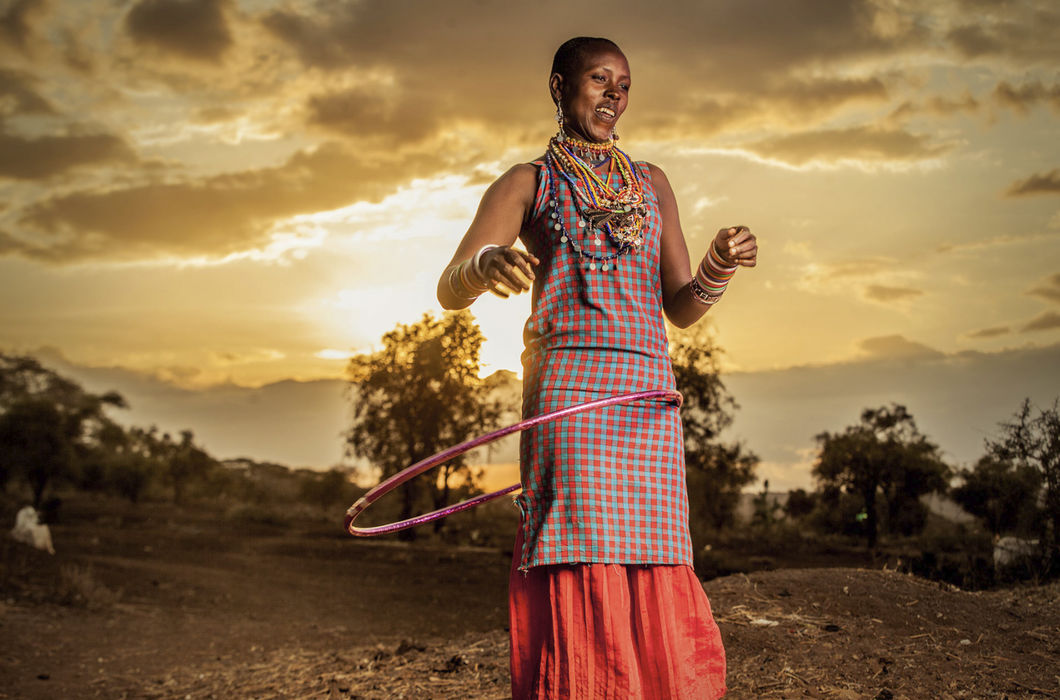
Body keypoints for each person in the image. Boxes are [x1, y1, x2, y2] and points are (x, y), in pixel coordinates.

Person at [437, 36, 757, 700]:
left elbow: (680, 307)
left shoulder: (652, 184)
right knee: (583, 557)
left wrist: (718, 267)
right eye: (599, 79)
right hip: (571, 399)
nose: (616, 94)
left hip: (649, 401)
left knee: (657, 557)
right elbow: (449, 286)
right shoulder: (530, 182)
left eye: (625, 84)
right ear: (559, 87)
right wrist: (484, 267)